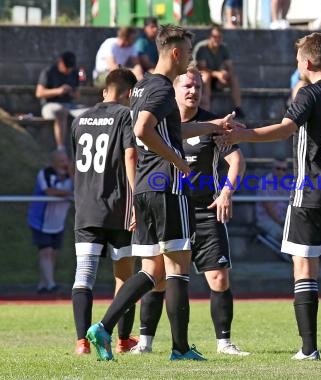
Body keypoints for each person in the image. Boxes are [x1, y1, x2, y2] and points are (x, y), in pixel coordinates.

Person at [217, 32, 321, 360]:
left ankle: (309, 349)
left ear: (309, 62)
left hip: (310, 192)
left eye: (298, 59)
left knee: (304, 267)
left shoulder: (308, 93)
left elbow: (286, 128)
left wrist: (245, 134)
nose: (296, 64)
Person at [85, 25, 203, 362]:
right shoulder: (165, 89)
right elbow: (142, 129)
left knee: (152, 271)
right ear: (177, 53)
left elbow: (166, 129)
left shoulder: (142, 87)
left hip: (146, 188)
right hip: (168, 185)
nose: (190, 58)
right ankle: (180, 349)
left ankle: (104, 327)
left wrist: (212, 126)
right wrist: (179, 161)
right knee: (178, 267)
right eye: (189, 51)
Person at [130, 65, 249, 356]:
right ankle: (145, 342)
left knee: (219, 278)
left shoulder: (212, 124)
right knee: (156, 277)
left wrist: (226, 192)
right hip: (168, 208)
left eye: (198, 87)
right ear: (174, 91)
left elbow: (237, 162)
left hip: (204, 210)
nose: (194, 92)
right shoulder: (162, 123)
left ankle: (224, 342)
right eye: (188, 87)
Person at [70, 68, 139, 356]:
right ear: (129, 93)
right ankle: (122, 340)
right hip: (117, 206)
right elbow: (130, 155)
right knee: (124, 275)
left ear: (104, 91)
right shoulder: (125, 116)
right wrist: (136, 200)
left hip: (86, 207)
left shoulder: (79, 119)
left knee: (83, 275)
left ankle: (81, 343)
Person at [27, 150, 73, 294]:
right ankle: (51, 284)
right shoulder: (45, 173)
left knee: (52, 253)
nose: (64, 164)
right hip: (40, 221)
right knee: (46, 252)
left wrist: (72, 173)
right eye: (60, 161)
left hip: (57, 222)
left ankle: (43, 284)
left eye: (65, 161)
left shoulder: (70, 175)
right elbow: (50, 192)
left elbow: (80, 188)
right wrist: (69, 194)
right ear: (53, 162)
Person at [35, 51, 88, 151]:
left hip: (70, 105)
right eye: (66, 67)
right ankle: (61, 149)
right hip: (50, 105)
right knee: (61, 111)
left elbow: (77, 95)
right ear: (60, 62)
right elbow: (39, 93)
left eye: (70, 68)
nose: (68, 70)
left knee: (90, 112)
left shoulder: (74, 72)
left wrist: (72, 93)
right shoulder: (49, 71)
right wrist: (58, 91)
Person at [193, 26, 243, 115]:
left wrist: (226, 74)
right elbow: (201, 68)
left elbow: (230, 66)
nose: (217, 39)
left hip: (217, 79)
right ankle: (206, 110)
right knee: (206, 76)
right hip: (201, 79)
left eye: (220, 37)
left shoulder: (224, 48)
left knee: (233, 78)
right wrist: (217, 74)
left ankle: (238, 108)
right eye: (215, 37)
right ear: (209, 37)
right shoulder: (202, 48)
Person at [255, 156, 290, 242]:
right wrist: (283, 223)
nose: (281, 171)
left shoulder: (287, 183)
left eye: (284, 169)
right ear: (273, 169)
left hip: (283, 219)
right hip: (266, 219)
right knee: (285, 235)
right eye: (278, 168)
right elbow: (269, 209)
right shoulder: (264, 183)